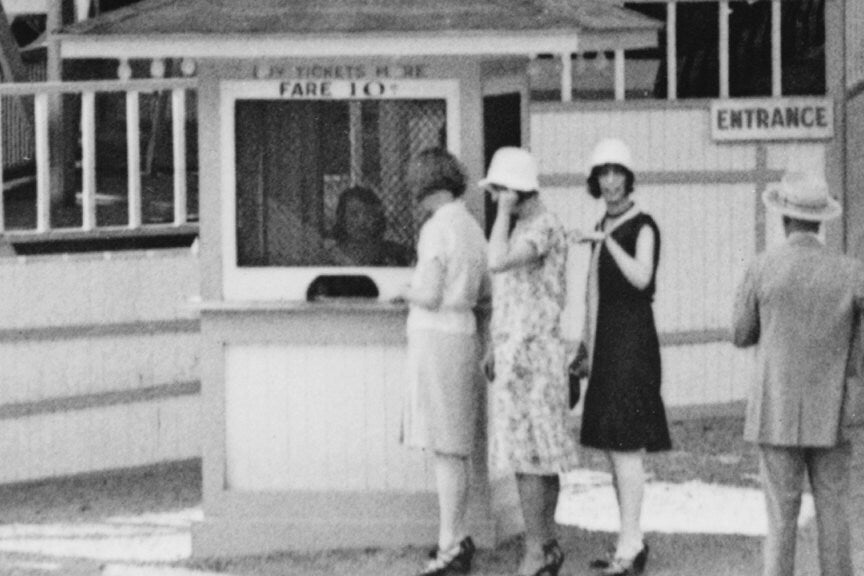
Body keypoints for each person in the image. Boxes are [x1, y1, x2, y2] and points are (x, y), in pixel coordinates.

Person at [732, 168, 864, 576]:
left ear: (783, 216)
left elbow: (740, 333)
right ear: (821, 220)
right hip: (834, 412)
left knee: (780, 520)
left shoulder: (761, 267)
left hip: (777, 412)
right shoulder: (851, 272)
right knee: (835, 515)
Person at [574, 138, 670, 576]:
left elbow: (641, 277)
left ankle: (630, 546)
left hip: (633, 344)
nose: (610, 181)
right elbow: (592, 293)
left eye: (617, 172)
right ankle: (628, 539)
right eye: (602, 173)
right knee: (615, 447)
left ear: (629, 178)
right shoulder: (603, 224)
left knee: (627, 446)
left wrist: (606, 241)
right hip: (609, 345)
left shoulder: (642, 225)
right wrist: (585, 346)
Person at [484, 147, 579, 576]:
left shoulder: (540, 227)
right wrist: (493, 344)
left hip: (535, 358)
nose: (493, 199)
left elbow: (498, 262)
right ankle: (545, 544)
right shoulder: (525, 225)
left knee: (533, 460)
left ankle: (536, 549)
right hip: (516, 353)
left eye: (499, 191)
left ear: (514, 190)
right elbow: (508, 296)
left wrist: (503, 213)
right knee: (533, 458)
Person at [398, 148, 491, 576]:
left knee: (445, 450)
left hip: (437, 339)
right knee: (458, 448)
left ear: (423, 186)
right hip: (465, 336)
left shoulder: (437, 229)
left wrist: (404, 289)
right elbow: (485, 294)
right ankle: (455, 537)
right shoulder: (471, 226)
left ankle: (449, 543)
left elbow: (431, 294)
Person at [328, 185, 412, 266]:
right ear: (342, 218)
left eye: (368, 214)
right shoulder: (330, 259)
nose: (362, 221)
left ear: (377, 218)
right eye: (354, 214)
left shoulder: (394, 254)